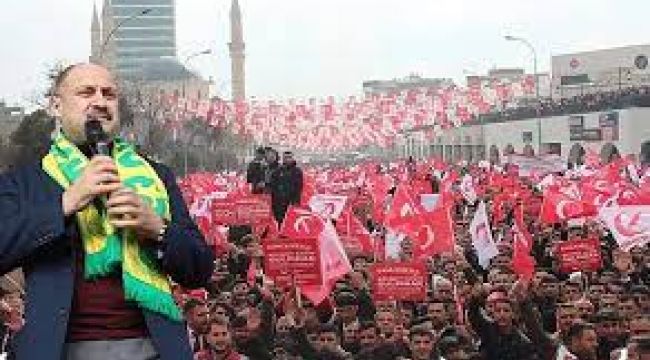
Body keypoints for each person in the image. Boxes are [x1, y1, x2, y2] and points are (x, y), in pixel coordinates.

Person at [0, 63, 215, 359]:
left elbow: (200, 269)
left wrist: (158, 229)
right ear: (55, 106)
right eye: (86, 92)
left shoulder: (155, 177)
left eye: (109, 94)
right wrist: (66, 203)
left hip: (152, 347)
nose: (100, 101)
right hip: (58, 348)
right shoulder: (26, 182)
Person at [269, 151, 303, 224]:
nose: (287, 159)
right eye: (285, 158)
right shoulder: (277, 171)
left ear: (292, 158)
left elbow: (299, 188)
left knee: (291, 222)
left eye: (289, 157)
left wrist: (296, 201)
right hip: (279, 202)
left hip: (291, 201)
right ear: (283, 159)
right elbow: (273, 186)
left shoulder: (297, 171)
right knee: (279, 221)